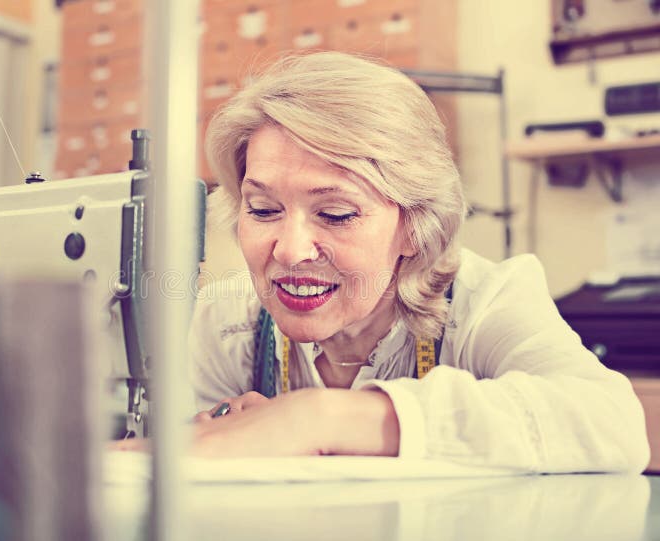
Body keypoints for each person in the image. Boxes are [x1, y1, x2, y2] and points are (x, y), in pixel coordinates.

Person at [124, 51, 650, 472]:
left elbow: (612, 425)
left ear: (413, 226)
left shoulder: (484, 301)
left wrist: (323, 418)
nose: (289, 250)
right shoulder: (228, 321)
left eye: (335, 213)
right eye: (263, 209)